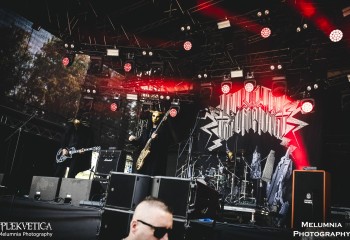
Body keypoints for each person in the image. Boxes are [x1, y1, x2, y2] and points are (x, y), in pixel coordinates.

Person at [129, 110, 169, 176]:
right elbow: (140, 143)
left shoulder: (162, 131)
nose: (155, 118)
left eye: (157, 117)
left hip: (153, 161)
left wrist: (156, 139)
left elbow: (163, 147)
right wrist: (132, 140)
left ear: (160, 118)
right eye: (153, 116)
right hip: (143, 160)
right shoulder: (146, 131)